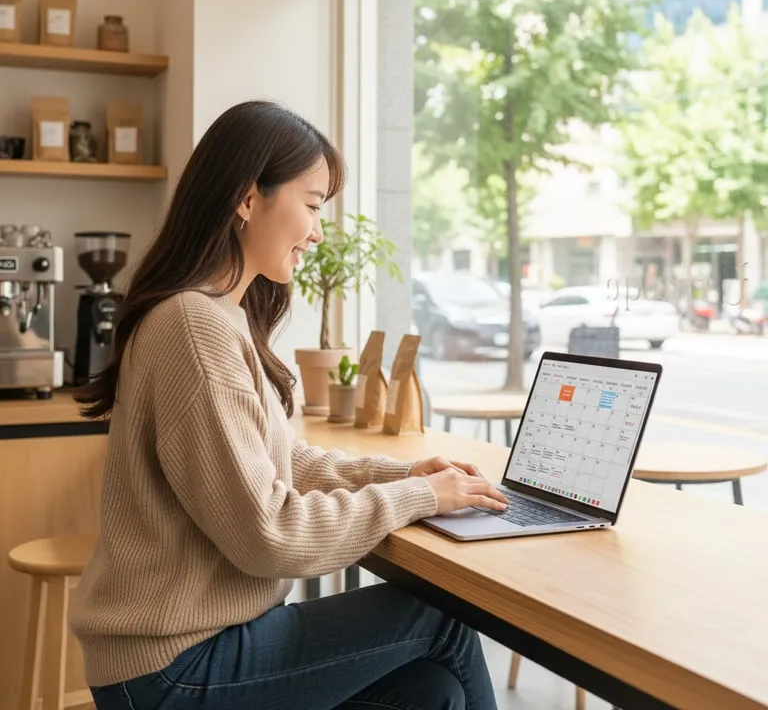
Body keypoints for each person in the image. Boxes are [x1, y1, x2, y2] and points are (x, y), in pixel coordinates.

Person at [70, 100, 508, 710]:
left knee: (429, 691)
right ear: (248, 200)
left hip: (198, 647)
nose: (318, 231)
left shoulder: (217, 316)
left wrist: (405, 473)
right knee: (440, 619)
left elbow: (278, 464)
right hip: (172, 666)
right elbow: (268, 533)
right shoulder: (194, 325)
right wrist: (420, 498)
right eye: (312, 205)